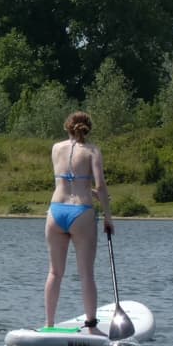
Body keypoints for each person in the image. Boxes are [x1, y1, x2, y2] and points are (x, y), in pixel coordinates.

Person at [44, 111, 114, 333]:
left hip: (56, 211)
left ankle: (49, 324)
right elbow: (101, 186)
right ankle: (92, 327)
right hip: (81, 212)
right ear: (88, 128)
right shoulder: (93, 151)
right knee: (86, 273)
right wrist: (108, 218)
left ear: (67, 127)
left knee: (55, 272)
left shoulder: (56, 148)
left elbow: (67, 178)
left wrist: (87, 189)